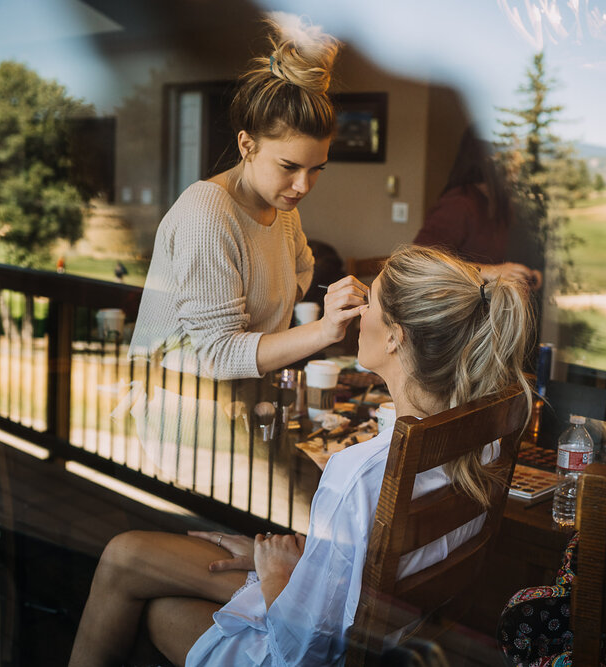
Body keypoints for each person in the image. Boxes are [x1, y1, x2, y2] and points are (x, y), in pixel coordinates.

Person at [69, 245, 533, 666]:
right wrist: (301, 556)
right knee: (126, 553)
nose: (359, 312)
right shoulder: (483, 438)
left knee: (154, 605)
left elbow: (300, 654)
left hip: (317, 649)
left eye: (370, 302)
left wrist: (276, 575)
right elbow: (368, 562)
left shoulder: (360, 472)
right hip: (385, 627)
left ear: (396, 337)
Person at [126, 14, 364, 382]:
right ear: (247, 145)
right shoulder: (206, 214)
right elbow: (217, 355)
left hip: (246, 405)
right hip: (183, 415)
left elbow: (302, 269)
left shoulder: (281, 209)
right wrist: (323, 329)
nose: (303, 185)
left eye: (317, 169)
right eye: (289, 166)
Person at [413, 128, 542, 290]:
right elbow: (419, 260)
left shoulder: (500, 205)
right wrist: (490, 271)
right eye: (512, 154)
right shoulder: (459, 204)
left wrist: (527, 275)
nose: (521, 161)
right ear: (489, 158)